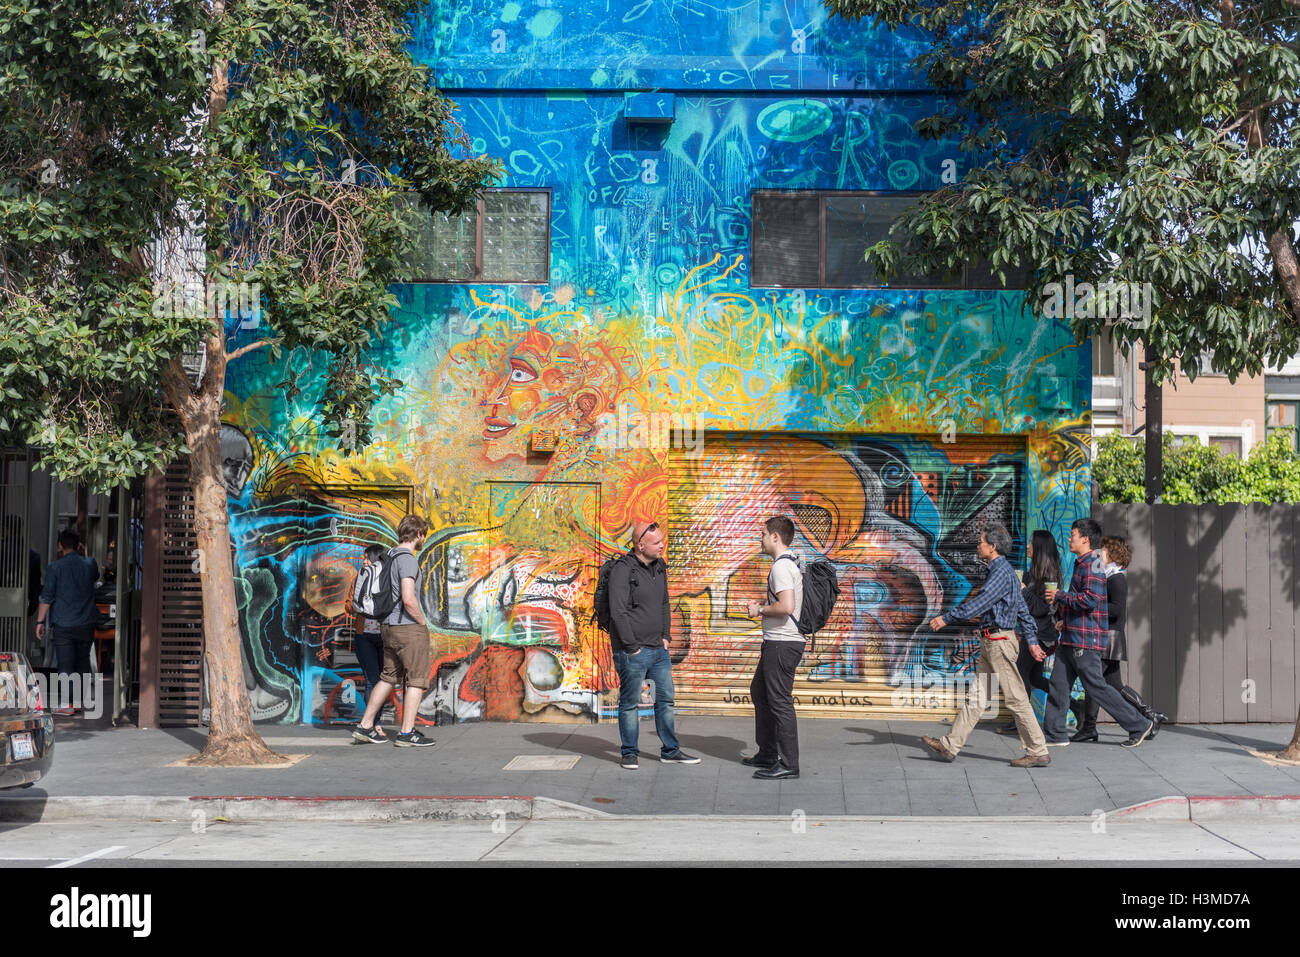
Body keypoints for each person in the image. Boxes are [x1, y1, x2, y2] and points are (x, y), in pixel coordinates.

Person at [921, 524, 1051, 767]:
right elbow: (1023, 610)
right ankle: (950, 745)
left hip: (999, 642)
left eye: (981, 541)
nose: (978, 545)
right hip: (993, 642)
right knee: (977, 699)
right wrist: (1032, 642)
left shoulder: (1001, 573)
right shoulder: (1006, 572)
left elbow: (980, 603)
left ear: (992, 547)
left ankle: (1037, 750)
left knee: (1016, 699)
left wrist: (946, 618)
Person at [1043, 519, 1155, 748]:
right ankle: (1055, 734)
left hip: (1085, 640)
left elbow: (1090, 599)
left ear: (1085, 538)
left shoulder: (1092, 564)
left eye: (1073, 534)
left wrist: (1061, 596)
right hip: (1072, 637)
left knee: (1097, 687)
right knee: (1058, 684)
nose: (1069, 537)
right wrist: (1066, 620)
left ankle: (1140, 724)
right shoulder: (1083, 563)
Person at [608, 520, 700, 769]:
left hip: (659, 651)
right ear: (640, 545)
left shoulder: (660, 567)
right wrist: (631, 647)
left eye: (662, 541)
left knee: (666, 700)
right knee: (629, 704)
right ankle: (629, 753)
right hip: (633, 652)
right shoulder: (622, 570)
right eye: (657, 542)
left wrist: (666, 637)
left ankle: (670, 751)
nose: (662, 546)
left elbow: (664, 603)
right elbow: (617, 612)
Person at [352, 515, 435, 747]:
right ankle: (407, 733)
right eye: (423, 535)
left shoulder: (386, 556)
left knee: (387, 677)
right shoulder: (407, 559)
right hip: (407, 627)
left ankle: (365, 725)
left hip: (387, 626)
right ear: (418, 534)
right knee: (416, 680)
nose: (423, 539)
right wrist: (422, 622)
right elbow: (408, 599)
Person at [1072, 535, 1164, 741]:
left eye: (1103, 550)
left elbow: (1117, 609)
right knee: (1113, 684)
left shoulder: (1116, 579)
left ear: (1112, 554)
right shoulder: (1107, 576)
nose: (1098, 553)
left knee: (1094, 682)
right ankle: (1150, 715)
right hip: (1109, 636)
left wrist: (1093, 604)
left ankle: (1090, 727)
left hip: (1109, 637)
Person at [743, 515, 805, 780]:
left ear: (775, 537)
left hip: (782, 642)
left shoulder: (781, 567)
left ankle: (789, 763)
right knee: (760, 691)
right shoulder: (790, 564)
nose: (760, 538)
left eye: (763, 534)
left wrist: (759, 610)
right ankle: (768, 752)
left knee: (779, 701)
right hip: (780, 641)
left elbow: (786, 607)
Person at [999, 529, 1061, 735]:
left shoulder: (1049, 577)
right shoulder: (1035, 573)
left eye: (1031, 543)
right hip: (1034, 633)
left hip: (1041, 635)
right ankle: (1075, 706)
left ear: (1040, 548)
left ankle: (1021, 721)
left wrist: (1023, 589)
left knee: (1020, 673)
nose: (1027, 546)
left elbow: (1043, 609)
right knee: (1034, 678)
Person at [35, 529, 100, 714]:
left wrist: (40, 622)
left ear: (60, 546)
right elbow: (96, 577)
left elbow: (46, 596)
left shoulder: (54, 567)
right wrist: (84, 554)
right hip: (86, 621)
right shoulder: (90, 563)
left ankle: (67, 704)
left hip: (63, 622)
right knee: (82, 662)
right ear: (79, 546)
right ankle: (79, 701)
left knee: (65, 664)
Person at [351, 544, 388, 736]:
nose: (364, 561)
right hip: (364, 635)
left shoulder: (386, 579)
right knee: (371, 679)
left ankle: (373, 721)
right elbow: (350, 605)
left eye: (367, 558)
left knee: (383, 680)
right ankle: (373, 723)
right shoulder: (362, 576)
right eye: (363, 558)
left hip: (384, 636)